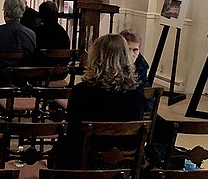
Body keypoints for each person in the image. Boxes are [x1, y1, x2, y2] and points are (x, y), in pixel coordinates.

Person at [61, 34, 146, 167]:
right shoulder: (137, 90)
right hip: (126, 158)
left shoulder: (82, 90)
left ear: (96, 57)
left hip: (88, 158)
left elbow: (73, 130)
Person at [0, 0, 37, 85]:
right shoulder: (31, 34)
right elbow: (32, 58)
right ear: (22, 13)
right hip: (21, 81)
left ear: (5, 13)